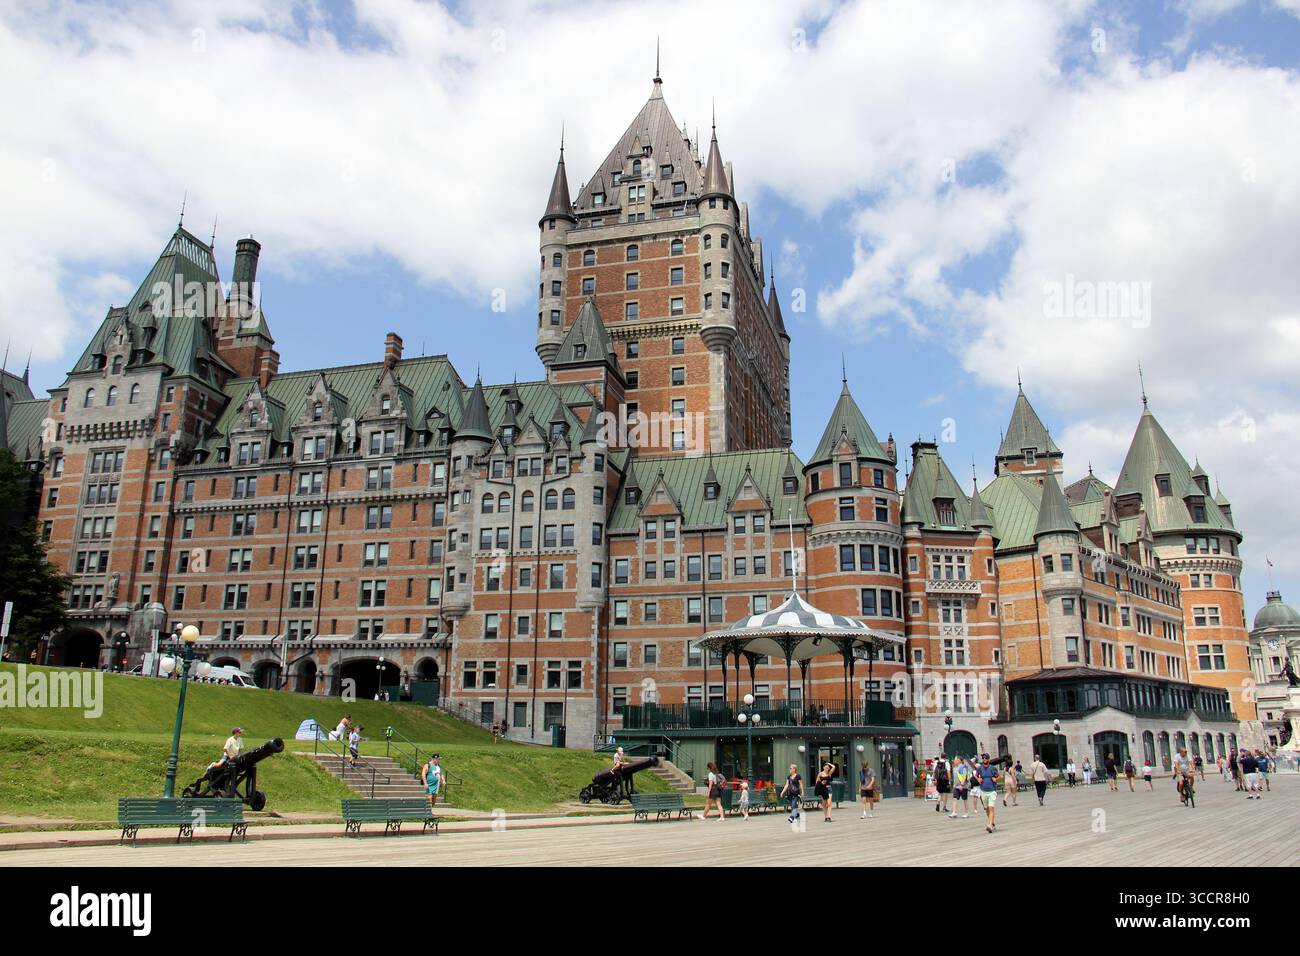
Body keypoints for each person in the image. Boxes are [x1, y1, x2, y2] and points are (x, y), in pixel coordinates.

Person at [976, 755, 1000, 833]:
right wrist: (978, 779)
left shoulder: (992, 768)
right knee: (986, 809)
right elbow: (976, 775)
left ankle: (989, 825)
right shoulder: (980, 768)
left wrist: (995, 779)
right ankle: (992, 823)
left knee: (991, 807)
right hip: (983, 790)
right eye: (983, 758)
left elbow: (999, 776)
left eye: (986, 758)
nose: (984, 759)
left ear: (988, 759)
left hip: (992, 790)